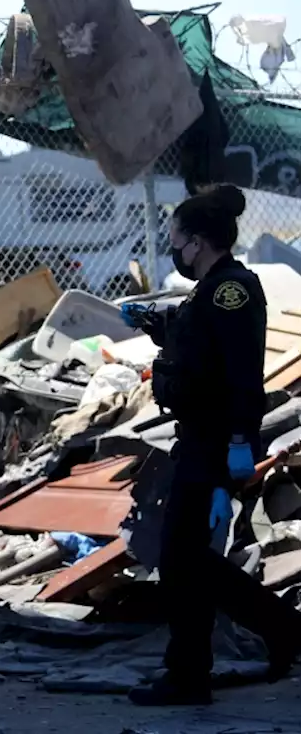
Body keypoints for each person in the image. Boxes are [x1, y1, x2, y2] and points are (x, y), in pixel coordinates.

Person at [122, 184, 302, 706]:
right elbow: (198, 343)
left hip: (216, 438)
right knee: (188, 558)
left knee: (182, 558)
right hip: (200, 436)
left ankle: (192, 672)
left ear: (198, 242)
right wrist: (157, 325)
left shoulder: (232, 289)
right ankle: (269, 633)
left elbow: (242, 370)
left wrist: (241, 442)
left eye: (175, 239)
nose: (172, 247)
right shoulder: (213, 290)